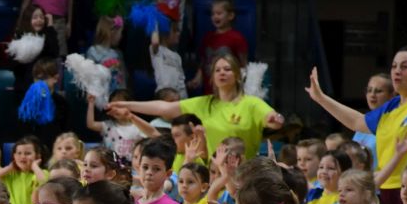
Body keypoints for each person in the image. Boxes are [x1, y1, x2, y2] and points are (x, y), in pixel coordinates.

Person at [305, 46, 407, 204]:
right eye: (394, 66)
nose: (397, 71)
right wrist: (321, 98)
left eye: (405, 66)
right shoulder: (392, 105)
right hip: (384, 188)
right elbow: (357, 121)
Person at [111, 53, 285, 157]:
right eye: (217, 70)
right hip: (213, 175)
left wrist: (276, 120)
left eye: (227, 69)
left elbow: (273, 120)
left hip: (244, 176)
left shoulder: (252, 103)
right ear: (212, 78)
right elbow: (165, 108)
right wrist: (126, 104)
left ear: (238, 76)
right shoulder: (205, 103)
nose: (222, 73)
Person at [193, 0, 249, 93]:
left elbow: (243, 64)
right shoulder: (207, 37)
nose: (215, 16)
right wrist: (198, 77)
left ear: (230, 16)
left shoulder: (237, 38)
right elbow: (204, 61)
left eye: (219, 13)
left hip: (228, 90)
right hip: (209, 89)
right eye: (213, 14)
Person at [0, 136, 46, 204]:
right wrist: (9, 168)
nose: (23, 156)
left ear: (37, 156)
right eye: (19, 153)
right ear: (14, 156)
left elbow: (44, 182)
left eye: (28, 153)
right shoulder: (10, 174)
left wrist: (35, 166)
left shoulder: (41, 172)